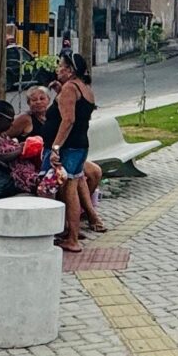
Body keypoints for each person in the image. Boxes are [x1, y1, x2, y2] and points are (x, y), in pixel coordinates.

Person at [50, 55, 108, 232]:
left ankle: (72, 236)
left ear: (70, 70)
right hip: (81, 144)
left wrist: (56, 147)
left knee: (69, 190)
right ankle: (74, 230)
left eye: (60, 65)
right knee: (74, 184)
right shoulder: (85, 88)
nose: (57, 69)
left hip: (70, 146)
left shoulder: (70, 87)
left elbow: (68, 120)